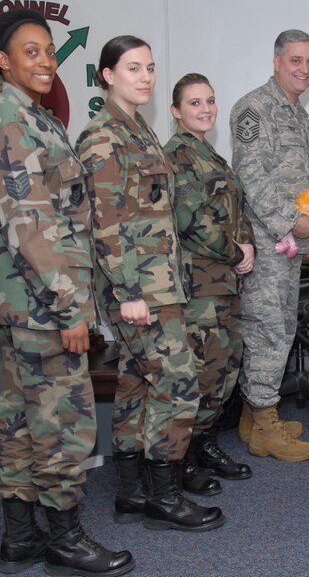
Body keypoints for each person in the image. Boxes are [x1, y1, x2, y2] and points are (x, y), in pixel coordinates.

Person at [0, 10, 134, 576]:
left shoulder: (27, 117)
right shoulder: (14, 125)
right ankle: (64, 537)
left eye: (49, 50)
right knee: (65, 419)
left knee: (19, 415)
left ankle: (20, 537)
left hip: (23, 302)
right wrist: (71, 309)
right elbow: (34, 229)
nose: (45, 61)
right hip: (44, 302)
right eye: (31, 52)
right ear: (4, 61)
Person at [76, 36, 224, 532]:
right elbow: (105, 222)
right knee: (180, 381)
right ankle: (165, 493)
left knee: (137, 385)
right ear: (107, 75)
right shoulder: (104, 137)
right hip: (140, 290)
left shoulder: (138, 130)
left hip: (159, 284)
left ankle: (132, 492)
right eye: (133, 68)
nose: (145, 77)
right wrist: (128, 293)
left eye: (151, 68)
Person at [229, 29, 309, 462]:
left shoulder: (297, 112)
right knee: (268, 331)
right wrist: (290, 222)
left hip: (291, 246)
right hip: (266, 245)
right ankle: (266, 424)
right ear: (277, 62)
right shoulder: (255, 108)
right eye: (296, 60)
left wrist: (308, 228)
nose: (304, 68)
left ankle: (252, 416)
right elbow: (251, 177)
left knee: (278, 327)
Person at [164, 73, 256, 491]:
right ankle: (181, 460)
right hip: (198, 284)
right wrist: (237, 252)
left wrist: (248, 244)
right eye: (195, 103)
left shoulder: (210, 155)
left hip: (224, 283)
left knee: (224, 368)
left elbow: (236, 209)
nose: (205, 109)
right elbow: (192, 221)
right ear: (176, 111)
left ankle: (204, 443)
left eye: (210, 101)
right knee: (201, 372)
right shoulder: (178, 156)